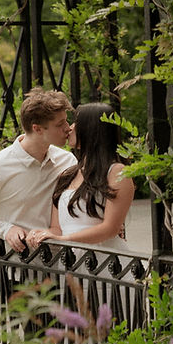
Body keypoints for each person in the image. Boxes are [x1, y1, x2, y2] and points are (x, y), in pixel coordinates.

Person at [0, 88, 78, 252]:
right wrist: (5, 229)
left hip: (69, 262)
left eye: (66, 121)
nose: (68, 128)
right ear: (37, 129)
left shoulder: (67, 160)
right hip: (20, 264)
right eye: (60, 124)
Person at [26, 102, 135, 251]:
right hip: (73, 260)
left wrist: (65, 240)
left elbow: (110, 228)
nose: (70, 128)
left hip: (105, 260)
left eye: (76, 122)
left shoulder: (117, 172)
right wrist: (41, 233)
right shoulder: (67, 175)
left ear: (92, 129)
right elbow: (57, 229)